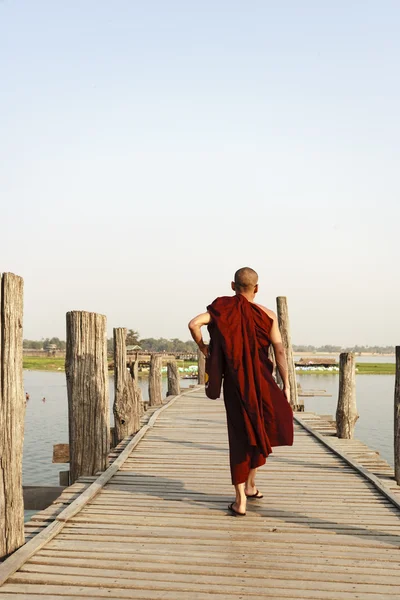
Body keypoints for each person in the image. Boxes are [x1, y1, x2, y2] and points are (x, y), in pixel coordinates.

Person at [188, 267, 294, 516]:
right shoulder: (267, 315)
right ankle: (248, 487)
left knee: (239, 435)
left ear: (233, 286)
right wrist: (286, 384)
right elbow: (279, 351)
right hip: (263, 383)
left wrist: (203, 347)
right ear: (256, 288)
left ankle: (243, 496)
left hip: (236, 385)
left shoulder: (222, 310)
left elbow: (194, 324)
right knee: (261, 429)